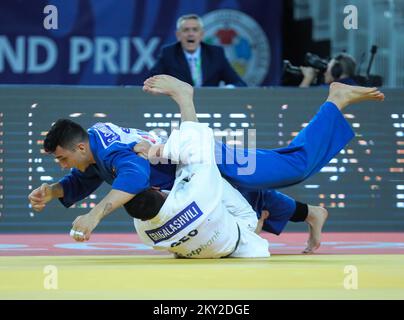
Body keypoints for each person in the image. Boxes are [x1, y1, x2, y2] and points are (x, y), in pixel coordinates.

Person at [28, 75, 384, 252]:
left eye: (62, 158)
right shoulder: (95, 146)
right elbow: (84, 178)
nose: (63, 165)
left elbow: (133, 178)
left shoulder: (110, 152)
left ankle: (335, 100)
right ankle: (312, 214)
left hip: (212, 157)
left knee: (293, 168)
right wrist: (54, 190)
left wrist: (94, 215)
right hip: (193, 167)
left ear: (78, 146)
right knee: (244, 197)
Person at [124, 79, 269, 258]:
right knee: (200, 163)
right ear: (154, 188)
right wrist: (162, 150)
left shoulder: (143, 233)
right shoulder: (197, 195)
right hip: (240, 234)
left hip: (199, 249)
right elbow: (195, 147)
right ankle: (184, 95)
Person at [149, 14, 247, 87]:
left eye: (195, 30)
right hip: (178, 107)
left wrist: (227, 90)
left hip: (210, 106)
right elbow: (151, 81)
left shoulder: (216, 53)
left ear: (201, 34)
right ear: (178, 35)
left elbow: (239, 83)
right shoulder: (169, 53)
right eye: (186, 30)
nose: (190, 34)